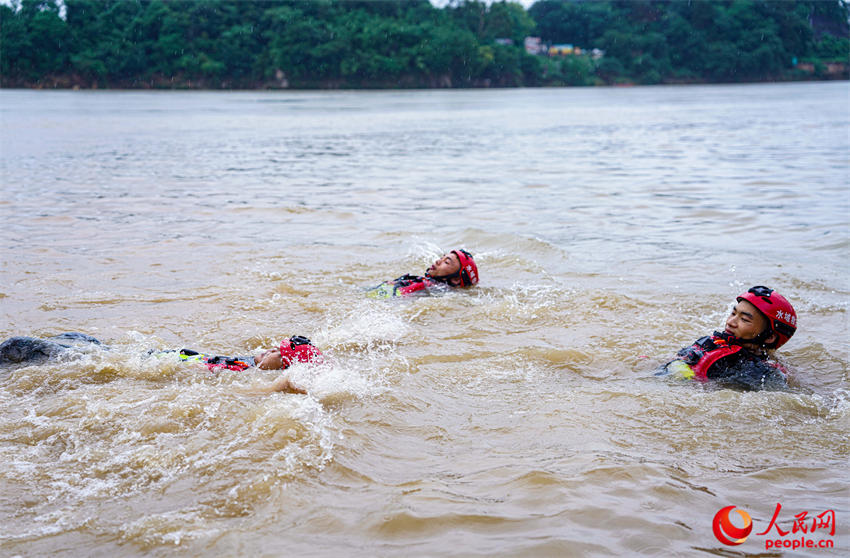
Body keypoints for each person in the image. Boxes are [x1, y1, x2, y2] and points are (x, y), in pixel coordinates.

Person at [0, 332, 323, 394]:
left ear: (282, 365)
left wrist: (282, 386)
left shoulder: (246, 375)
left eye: (272, 353)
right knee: (75, 336)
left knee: (18, 346)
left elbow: (255, 391)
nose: (265, 352)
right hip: (138, 354)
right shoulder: (249, 362)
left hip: (132, 360)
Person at [660, 285, 797, 391]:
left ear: (770, 337)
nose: (730, 322)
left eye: (744, 319)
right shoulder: (711, 343)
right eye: (733, 313)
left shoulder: (758, 371)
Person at [367, 248, 479, 298]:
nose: (438, 261)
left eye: (446, 262)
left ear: (456, 280)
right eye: (442, 257)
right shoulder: (432, 285)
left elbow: (396, 297)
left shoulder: (428, 286)